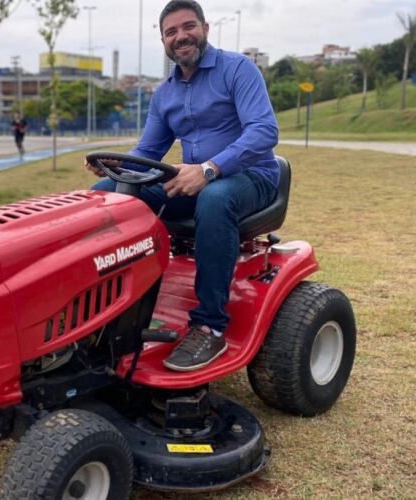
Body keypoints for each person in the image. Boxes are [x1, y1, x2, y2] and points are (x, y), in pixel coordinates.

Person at [85, 0, 279, 372]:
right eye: (171, 32)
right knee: (106, 195)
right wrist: (116, 165)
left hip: (251, 178)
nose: (181, 36)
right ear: (163, 41)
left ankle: (209, 326)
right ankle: (109, 307)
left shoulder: (238, 69)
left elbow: (264, 131)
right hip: (195, 181)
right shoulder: (164, 93)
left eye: (188, 27)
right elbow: (148, 149)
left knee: (216, 199)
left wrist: (209, 169)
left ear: (205, 28)